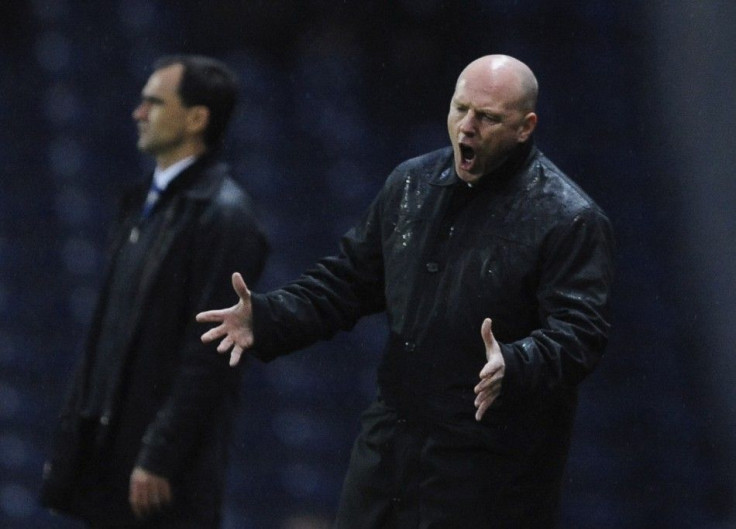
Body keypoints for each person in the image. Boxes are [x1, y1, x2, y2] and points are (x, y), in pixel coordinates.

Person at [197, 54, 614, 528]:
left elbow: (581, 334)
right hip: (390, 446)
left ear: (526, 126)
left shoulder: (569, 218)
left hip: (490, 463)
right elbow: (347, 283)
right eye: (460, 109)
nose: (468, 127)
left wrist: (516, 362)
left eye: (489, 117)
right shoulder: (410, 184)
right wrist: (268, 317)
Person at [41, 55, 268, 528]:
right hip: (111, 462)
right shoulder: (141, 205)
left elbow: (208, 355)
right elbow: (106, 338)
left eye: (153, 102)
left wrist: (160, 456)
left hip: (159, 478)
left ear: (196, 118)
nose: (137, 113)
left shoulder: (225, 218)